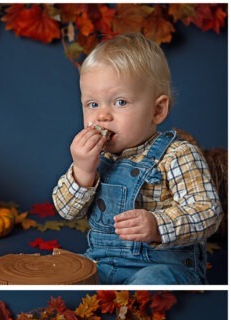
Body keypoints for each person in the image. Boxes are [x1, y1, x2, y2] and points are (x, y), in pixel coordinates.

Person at [52, 33, 222, 285]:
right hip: (103, 263)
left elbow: (208, 212)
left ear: (157, 110)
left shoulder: (178, 154)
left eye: (120, 102)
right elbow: (66, 211)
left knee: (152, 282)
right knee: (61, 276)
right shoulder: (95, 158)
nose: (102, 116)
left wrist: (158, 225)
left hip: (162, 265)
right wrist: (82, 171)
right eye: (92, 104)